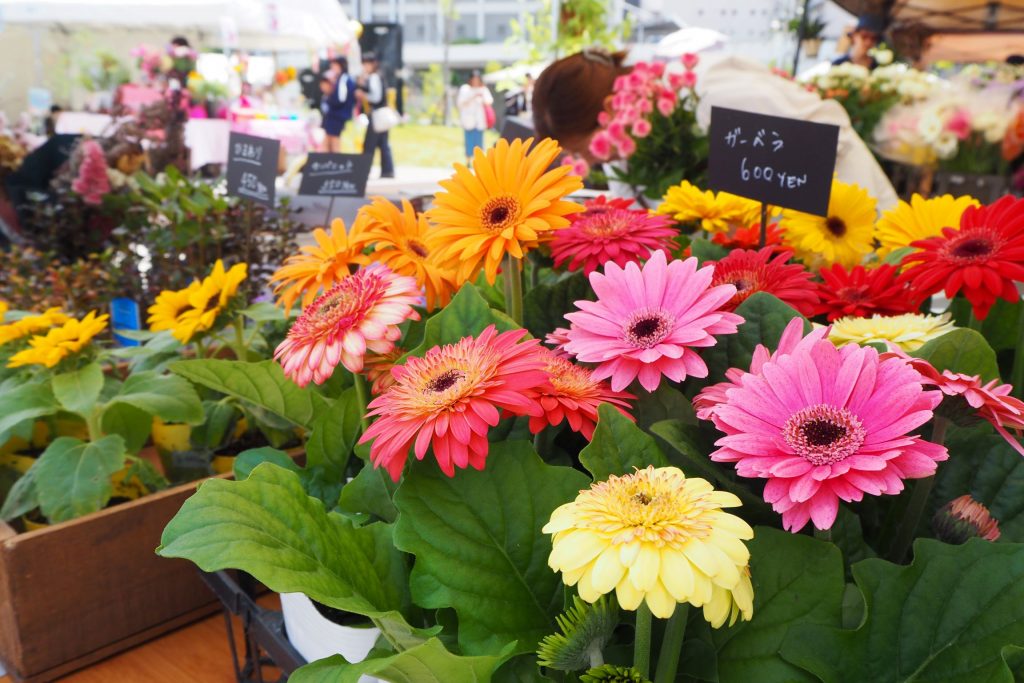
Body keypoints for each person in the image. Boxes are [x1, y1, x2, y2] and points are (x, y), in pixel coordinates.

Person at [531, 49, 898, 210]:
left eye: (584, 149)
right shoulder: (627, 146)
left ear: (610, 109)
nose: (589, 161)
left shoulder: (709, 92)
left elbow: (817, 138)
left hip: (851, 207)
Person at [356, 52, 395, 178]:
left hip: (376, 115)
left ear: (373, 64)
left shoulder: (374, 77)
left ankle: (363, 171)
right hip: (381, 115)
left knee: (370, 144)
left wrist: (364, 95)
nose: (365, 67)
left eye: (367, 64)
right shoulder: (378, 76)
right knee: (383, 144)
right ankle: (387, 171)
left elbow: (376, 97)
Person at [456, 71, 493, 163]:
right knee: (469, 141)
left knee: (479, 142)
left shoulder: (483, 89)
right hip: (468, 119)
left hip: (479, 120)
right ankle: (468, 161)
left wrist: (482, 97)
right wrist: (473, 96)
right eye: (474, 79)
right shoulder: (465, 89)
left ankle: (478, 161)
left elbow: (489, 102)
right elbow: (460, 102)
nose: (475, 81)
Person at [322, 57, 356, 153]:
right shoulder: (342, 78)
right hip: (336, 114)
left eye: (334, 65)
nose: (332, 67)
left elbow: (340, 99)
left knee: (334, 141)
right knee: (329, 140)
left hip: (338, 115)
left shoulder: (343, 79)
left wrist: (329, 99)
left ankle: (335, 162)